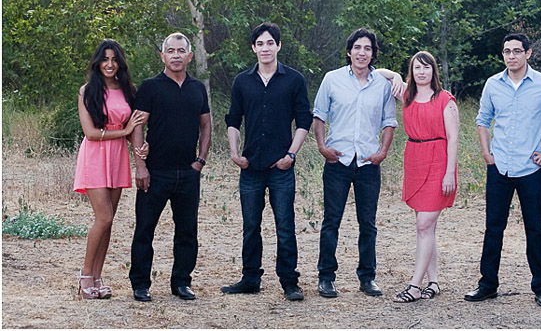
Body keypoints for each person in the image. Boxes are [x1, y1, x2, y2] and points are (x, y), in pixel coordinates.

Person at [464, 33, 541, 308]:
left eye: (516, 51)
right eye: (506, 51)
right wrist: (486, 152)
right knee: (493, 228)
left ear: (528, 53)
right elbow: (482, 119)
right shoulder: (493, 84)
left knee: (535, 229)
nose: (511, 56)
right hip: (500, 167)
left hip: (530, 168)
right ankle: (487, 284)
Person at [221, 22, 312, 301]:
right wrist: (235, 153)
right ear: (253, 48)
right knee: (251, 225)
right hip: (251, 167)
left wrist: (291, 155)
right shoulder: (242, 81)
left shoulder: (293, 80)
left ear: (279, 46)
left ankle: (289, 281)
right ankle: (250, 279)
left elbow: (304, 120)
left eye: (270, 43)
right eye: (260, 43)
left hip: (281, 167)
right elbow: (233, 120)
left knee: (285, 224)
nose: (265, 48)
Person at [313, 28, 397, 299]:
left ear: (373, 54)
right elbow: (319, 115)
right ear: (349, 51)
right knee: (331, 222)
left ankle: (367, 277)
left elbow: (389, 122)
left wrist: (382, 151)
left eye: (368, 48)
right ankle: (326, 278)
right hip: (338, 160)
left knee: (368, 223)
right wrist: (323, 147)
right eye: (358, 47)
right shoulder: (332, 79)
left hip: (368, 163)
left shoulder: (382, 85)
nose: (362, 53)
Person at [128, 32, 212, 302]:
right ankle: (141, 284)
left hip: (188, 173)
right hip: (155, 172)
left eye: (181, 51)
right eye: (170, 51)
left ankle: (182, 283)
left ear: (189, 56)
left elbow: (206, 124)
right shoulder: (151, 87)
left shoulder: (197, 88)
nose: (176, 55)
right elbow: (138, 126)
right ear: (162, 56)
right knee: (145, 229)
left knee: (187, 231)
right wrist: (140, 166)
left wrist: (200, 160)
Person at [375, 51, 459, 303]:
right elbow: (377, 72)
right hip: (415, 160)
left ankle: (414, 285)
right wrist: (397, 77)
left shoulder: (445, 100)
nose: (422, 72)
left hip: (438, 162)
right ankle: (433, 282)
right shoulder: (407, 96)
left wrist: (449, 173)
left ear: (434, 71)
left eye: (426, 67)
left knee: (424, 225)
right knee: (425, 227)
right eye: (416, 68)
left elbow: (453, 138)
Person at [73, 39, 147, 299]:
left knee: (109, 222)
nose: (110, 64)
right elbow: (91, 133)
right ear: (97, 62)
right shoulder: (87, 91)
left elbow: (133, 128)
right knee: (102, 217)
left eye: (114, 59)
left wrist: (140, 148)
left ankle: (97, 277)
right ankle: (84, 277)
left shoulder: (129, 90)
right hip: (95, 156)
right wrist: (124, 131)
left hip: (116, 158)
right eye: (105, 59)